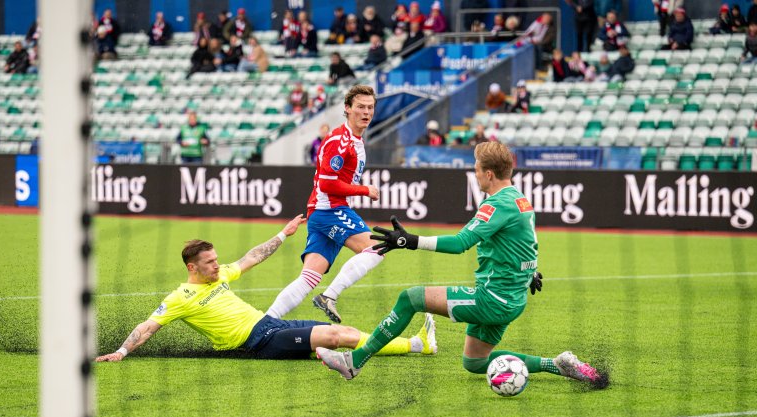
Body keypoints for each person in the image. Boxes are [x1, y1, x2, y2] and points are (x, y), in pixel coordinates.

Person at [316, 141, 607, 390]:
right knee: (475, 362)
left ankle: (353, 362)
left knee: (410, 298)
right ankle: (558, 364)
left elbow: (460, 243)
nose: (475, 173)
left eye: (477, 168)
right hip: (512, 298)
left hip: (493, 299)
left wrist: (410, 241)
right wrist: (529, 272)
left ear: (489, 174)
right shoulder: (520, 200)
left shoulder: (495, 205)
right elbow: (524, 241)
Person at [95, 219, 437, 363]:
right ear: (192, 267)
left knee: (345, 332)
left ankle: (417, 344)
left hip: (269, 325)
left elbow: (251, 257)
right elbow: (148, 326)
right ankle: (417, 346)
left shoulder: (220, 277)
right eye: (210, 262)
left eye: (216, 260)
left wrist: (284, 234)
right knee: (338, 337)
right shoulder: (180, 298)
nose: (218, 265)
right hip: (258, 341)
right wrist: (122, 351)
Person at [265, 85, 381, 324]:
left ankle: (265, 321)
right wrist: (365, 190)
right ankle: (330, 296)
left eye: (370, 107)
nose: (366, 112)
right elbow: (328, 185)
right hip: (331, 210)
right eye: (360, 107)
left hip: (323, 212)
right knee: (377, 248)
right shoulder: (339, 141)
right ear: (347, 109)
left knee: (308, 278)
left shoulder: (354, 141)